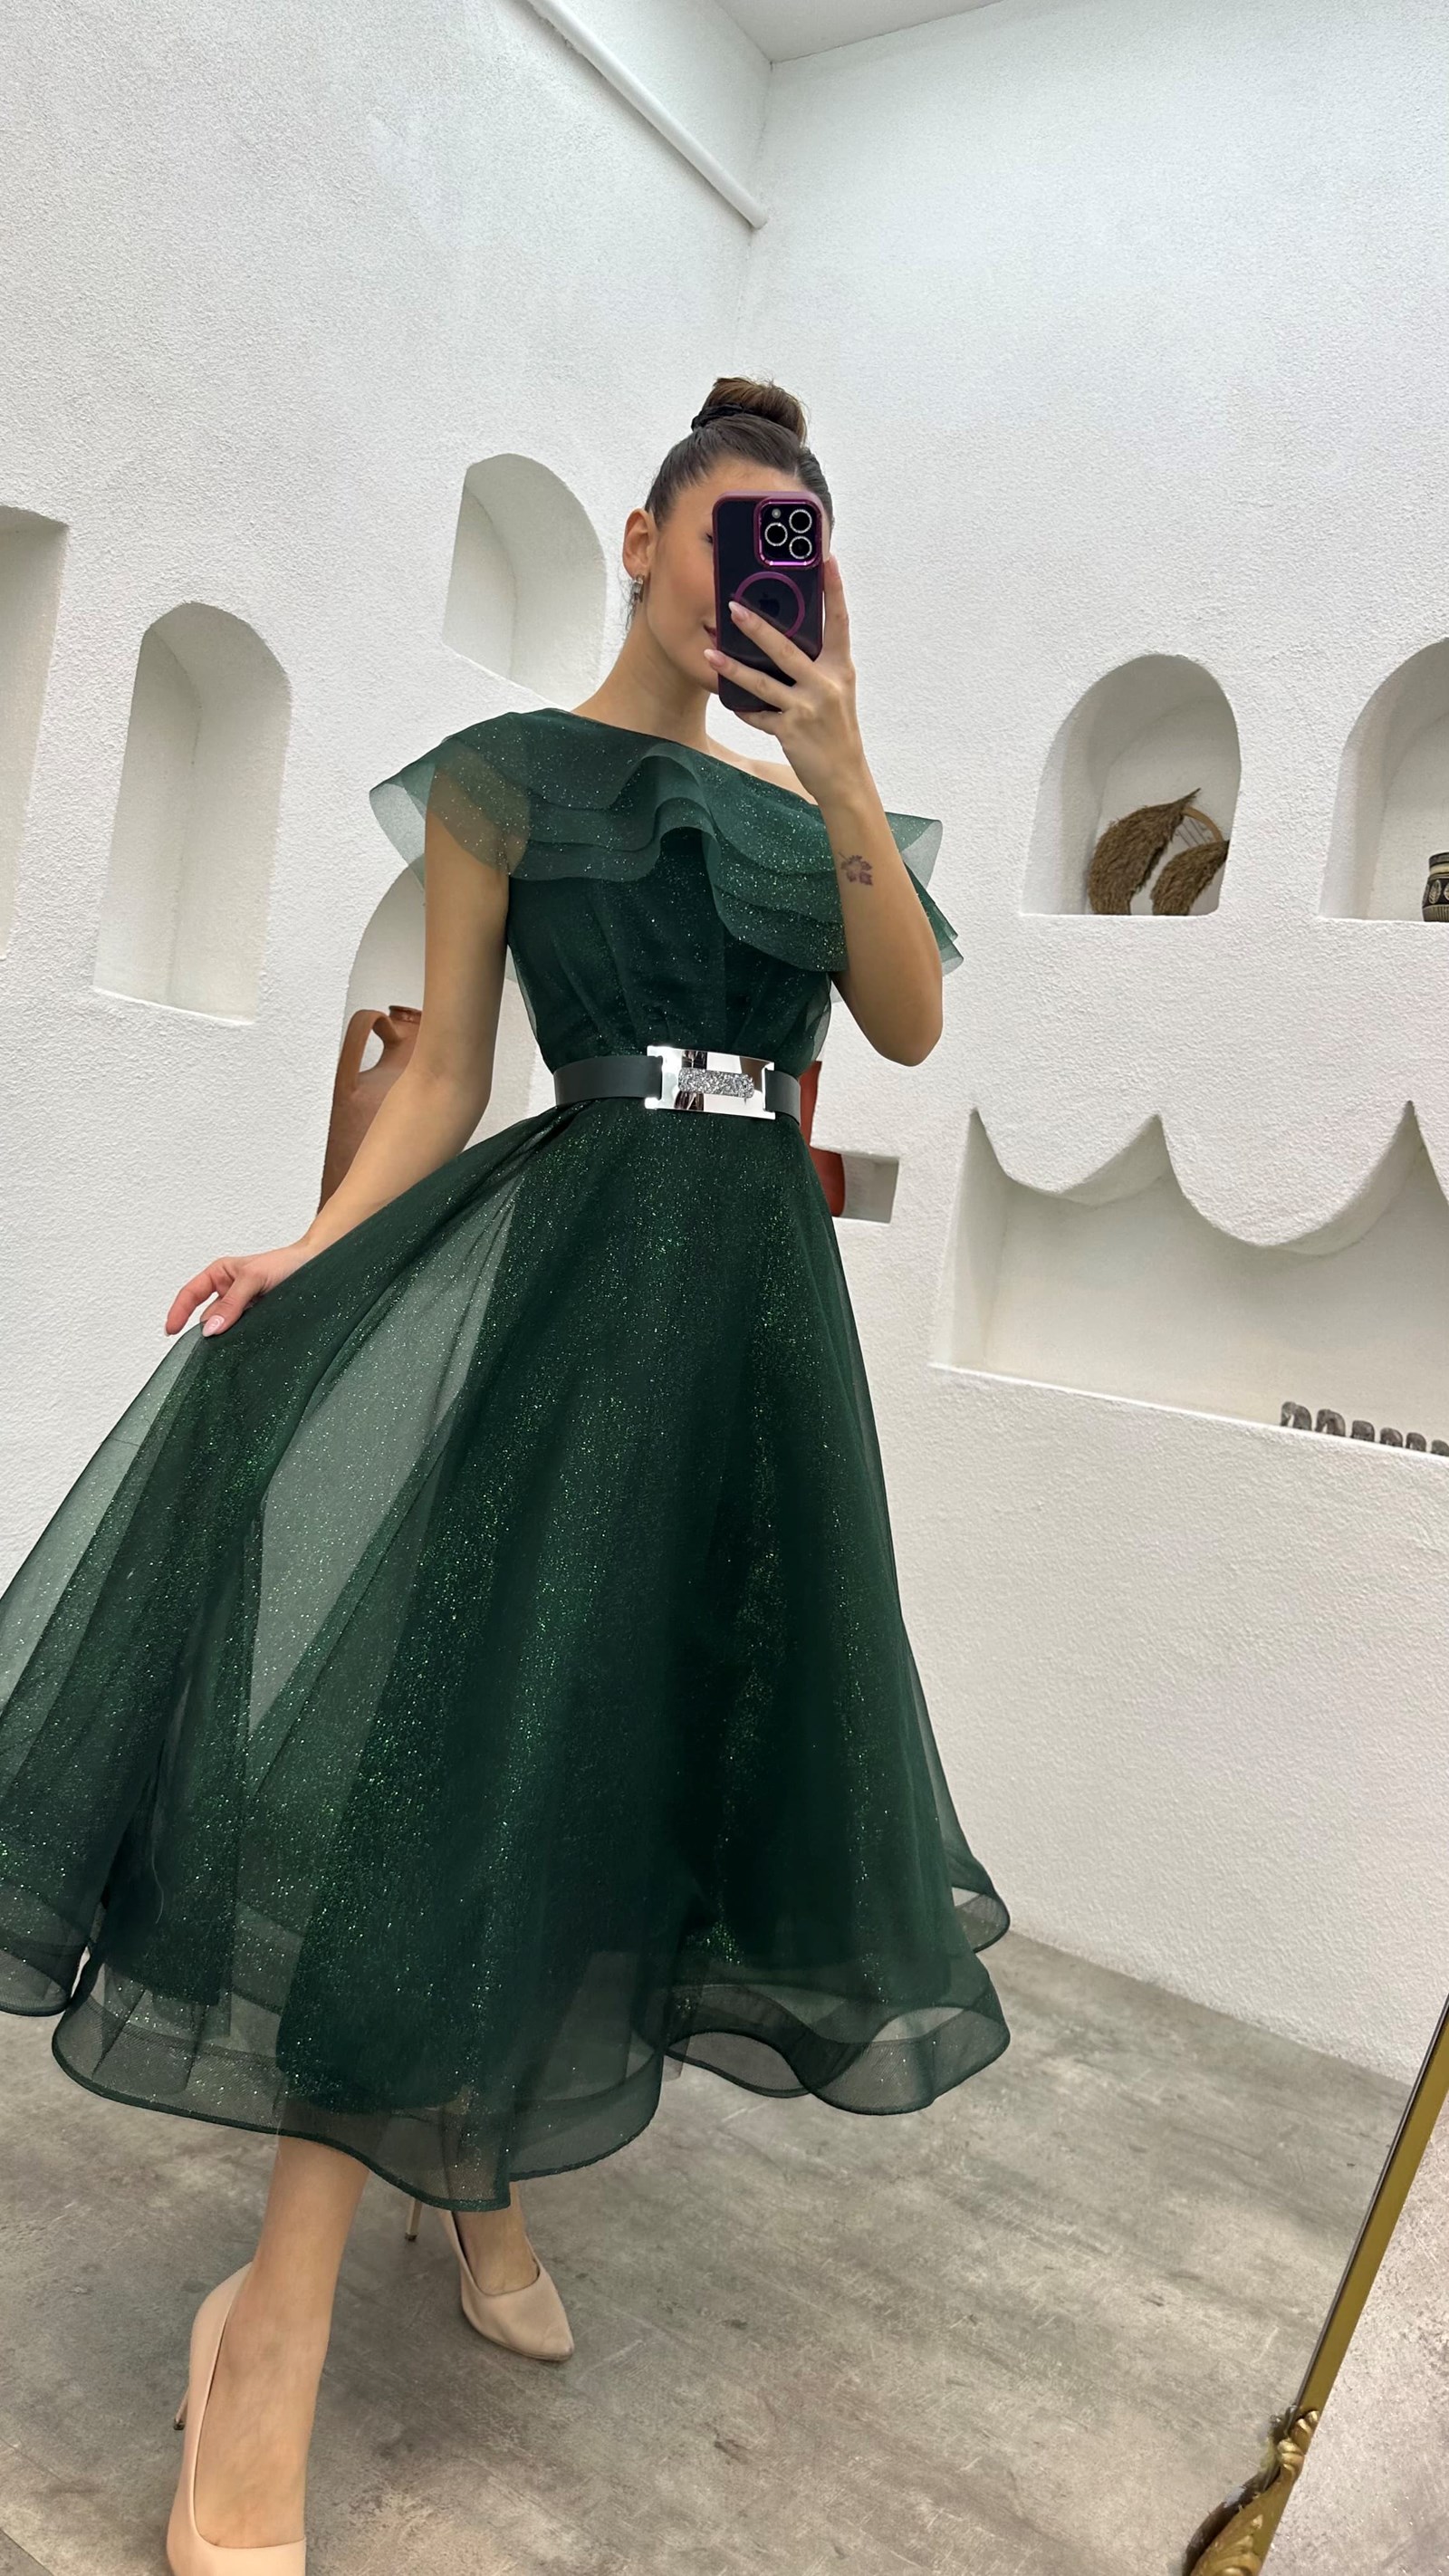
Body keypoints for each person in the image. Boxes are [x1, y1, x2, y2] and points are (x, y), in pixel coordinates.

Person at [0, 373, 1010, 2569]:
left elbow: (908, 1024)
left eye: (794, 553)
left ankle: (480, 2185)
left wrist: (838, 762)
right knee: (453, 1767)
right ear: (643, 545)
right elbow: (451, 1068)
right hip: (577, 1291)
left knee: (634, 1763)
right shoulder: (501, 777)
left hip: (756, 1329)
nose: (756, 583)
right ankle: (264, 2338)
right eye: (730, 535)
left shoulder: (810, 804)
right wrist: (310, 1244)